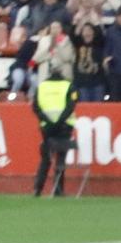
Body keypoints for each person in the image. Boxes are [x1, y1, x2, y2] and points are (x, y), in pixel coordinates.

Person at [33, 65, 78, 194]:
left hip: (46, 128)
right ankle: (58, 190)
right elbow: (71, 106)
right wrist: (59, 120)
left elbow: (36, 107)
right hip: (64, 126)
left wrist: (48, 120)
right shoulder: (68, 85)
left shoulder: (41, 86)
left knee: (46, 158)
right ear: (61, 71)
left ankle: (38, 188)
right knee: (60, 158)